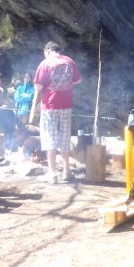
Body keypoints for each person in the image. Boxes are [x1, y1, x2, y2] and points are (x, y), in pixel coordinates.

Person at [33, 41, 81, 183]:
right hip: (66, 105)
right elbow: (78, 80)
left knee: (50, 139)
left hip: (50, 106)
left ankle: (52, 173)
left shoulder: (45, 63)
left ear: (48, 51)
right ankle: (67, 171)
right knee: (64, 137)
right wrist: (67, 84)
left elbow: (38, 87)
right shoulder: (69, 61)